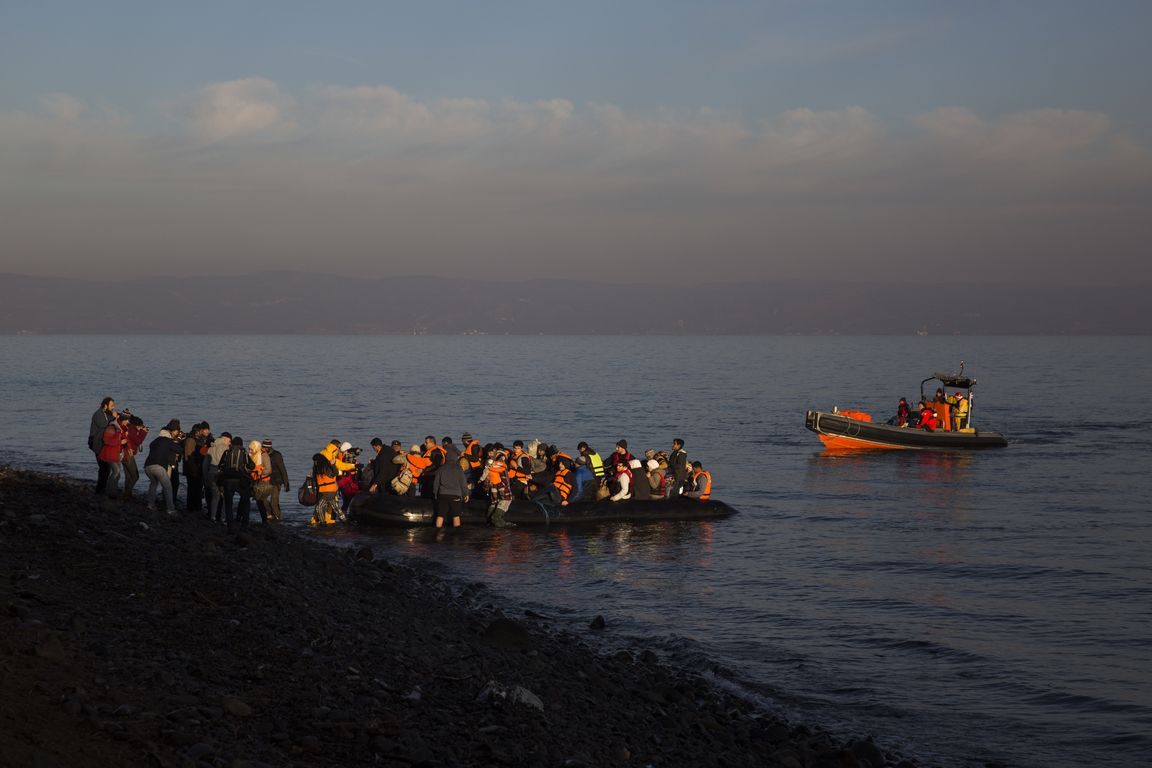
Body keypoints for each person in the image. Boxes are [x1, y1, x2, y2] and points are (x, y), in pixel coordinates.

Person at [217, 434, 254, 532]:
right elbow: (252, 466)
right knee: (246, 502)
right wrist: (246, 469)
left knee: (228, 504)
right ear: (241, 444)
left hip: (228, 480)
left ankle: (230, 527)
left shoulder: (227, 452)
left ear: (232, 443)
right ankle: (244, 525)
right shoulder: (244, 452)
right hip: (241, 480)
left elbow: (220, 466)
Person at [143, 426, 182, 515]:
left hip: (147, 466)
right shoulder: (167, 440)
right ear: (168, 434)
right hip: (158, 467)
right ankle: (170, 509)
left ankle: (150, 504)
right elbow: (179, 450)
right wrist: (179, 439)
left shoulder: (154, 441)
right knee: (168, 487)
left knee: (153, 484)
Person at [433, 456, 471, 528]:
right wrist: (466, 494)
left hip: (443, 494)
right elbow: (463, 483)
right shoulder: (459, 469)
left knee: (440, 515)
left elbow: (436, 483)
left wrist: (435, 494)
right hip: (456, 495)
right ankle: (456, 532)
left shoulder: (441, 468)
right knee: (456, 515)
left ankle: (437, 531)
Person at [89, 397, 117, 495]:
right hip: (97, 443)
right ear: (105, 405)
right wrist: (113, 417)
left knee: (106, 468)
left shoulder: (107, 414)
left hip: (104, 444)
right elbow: (104, 424)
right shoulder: (98, 414)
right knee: (104, 467)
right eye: (111, 405)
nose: (113, 407)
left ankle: (102, 488)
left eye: (114, 405)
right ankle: (100, 490)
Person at [97, 410, 127, 498]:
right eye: (126, 420)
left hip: (116, 454)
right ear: (121, 419)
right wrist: (120, 442)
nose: (127, 422)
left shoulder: (120, 427)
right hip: (110, 454)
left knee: (117, 473)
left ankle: (113, 490)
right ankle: (109, 491)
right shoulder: (112, 427)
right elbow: (106, 441)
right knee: (116, 472)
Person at [482, 446, 513, 528]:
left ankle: (502, 529)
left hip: (501, 492)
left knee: (495, 516)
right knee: (490, 517)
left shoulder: (497, 463)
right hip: (496, 492)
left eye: (490, 452)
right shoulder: (492, 463)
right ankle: (497, 528)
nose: (489, 455)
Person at [204, 432, 231, 523]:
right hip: (221, 475)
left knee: (215, 496)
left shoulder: (211, 448)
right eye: (229, 440)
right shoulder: (226, 448)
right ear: (225, 439)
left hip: (211, 473)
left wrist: (205, 476)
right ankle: (223, 518)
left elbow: (205, 464)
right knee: (224, 496)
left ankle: (212, 516)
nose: (230, 443)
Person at [261, 439, 289, 523]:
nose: (263, 448)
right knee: (262, 500)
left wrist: (286, 483)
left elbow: (282, 469)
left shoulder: (277, 455)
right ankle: (270, 514)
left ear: (269, 447)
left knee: (274, 502)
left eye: (265, 447)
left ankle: (277, 519)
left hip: (276, 481)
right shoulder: (261, 455)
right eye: (263, 447)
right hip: (265, 481)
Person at [246, 440, 271, 528]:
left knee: (260, 501)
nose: (250, 451)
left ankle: (265, 519)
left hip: (262, 481)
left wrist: (262, 472)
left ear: (256, 448)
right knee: (249, 499)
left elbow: (269, 470)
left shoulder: (264, 456)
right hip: (252, 481)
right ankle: (244, 518)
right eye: (249, 449)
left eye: (251, 449)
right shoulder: (249, 455)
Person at [122, 413, 148, 500]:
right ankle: (127, 494)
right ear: (137, 425)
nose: (141, 428)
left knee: (128, 476)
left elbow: (134, 440)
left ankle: (127, 494)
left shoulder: (129, 428)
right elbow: (138, 441)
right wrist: (144, 432)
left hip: (124, 454)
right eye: (140, 426)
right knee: (135, 476)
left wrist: (140, 431)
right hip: (128, 455)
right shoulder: (132, 430)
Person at [311, 453, 341, 526]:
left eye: (315, 461)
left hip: (324, 492)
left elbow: (315, 481)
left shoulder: (319, 469)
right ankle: (344, 520)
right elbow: (336, 473)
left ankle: (322, 523)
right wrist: (333, 465)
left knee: (320, 507)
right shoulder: (328, 467)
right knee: (336, 507)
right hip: (333, 491)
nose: (315, 462)